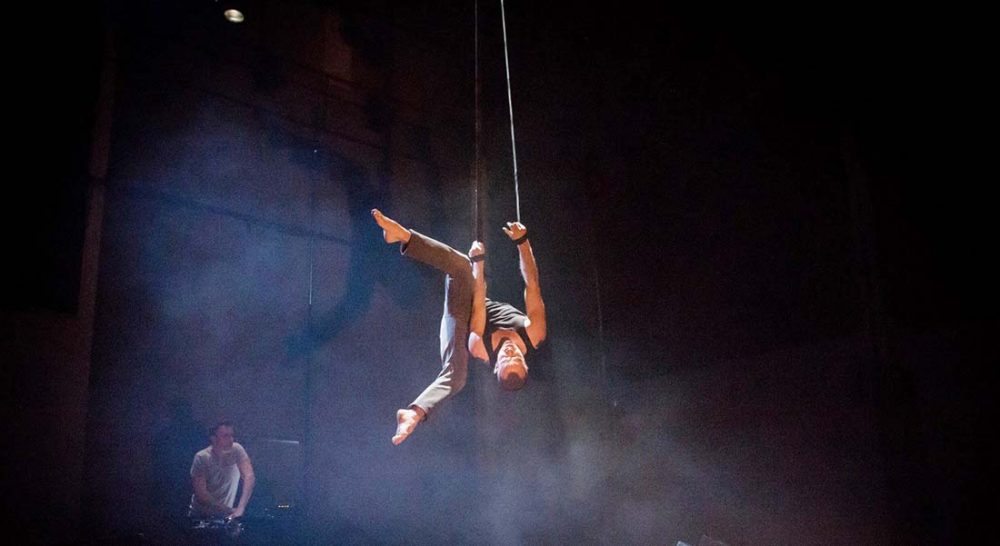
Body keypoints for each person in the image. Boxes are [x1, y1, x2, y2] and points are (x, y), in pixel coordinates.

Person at [371, 208, 547, 445]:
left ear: (495, 367)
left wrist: (479, 264)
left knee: (458, 374)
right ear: (525, 361)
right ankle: (403, 236)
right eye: (515, 356)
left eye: (505, 360)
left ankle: (415, 413)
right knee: (460, 266)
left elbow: (478, 311)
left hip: (460, 323)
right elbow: (532, 285)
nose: (509, 352)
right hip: (473, 300)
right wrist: (522, 242)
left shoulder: (480, 349)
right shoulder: (533, 333)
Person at [188, 421, 256, 519]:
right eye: (225, 436)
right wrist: (228, 509)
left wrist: (241, 508)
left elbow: (249, 476)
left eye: (232, 435)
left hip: (225, 515)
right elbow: (201, 494)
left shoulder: (237, 450)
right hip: (201, 515)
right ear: (213, 439)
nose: (231, 439)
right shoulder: (202, 457)